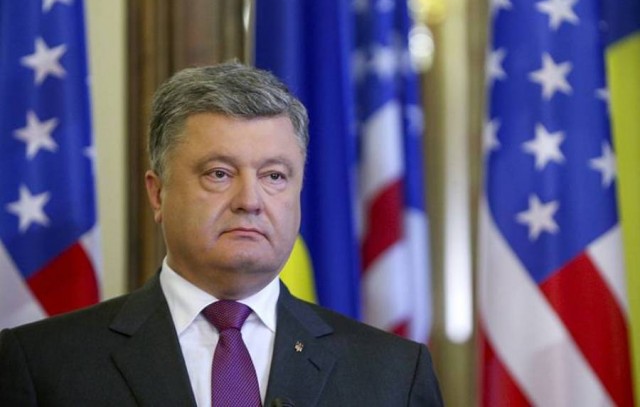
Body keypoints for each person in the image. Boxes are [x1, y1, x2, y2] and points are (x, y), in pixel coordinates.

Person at [0, 61, 443, 406]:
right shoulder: (42, 365)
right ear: (157, 193)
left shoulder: (394, 374)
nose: (250, 200)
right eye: (219, 173)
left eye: (274, 176)